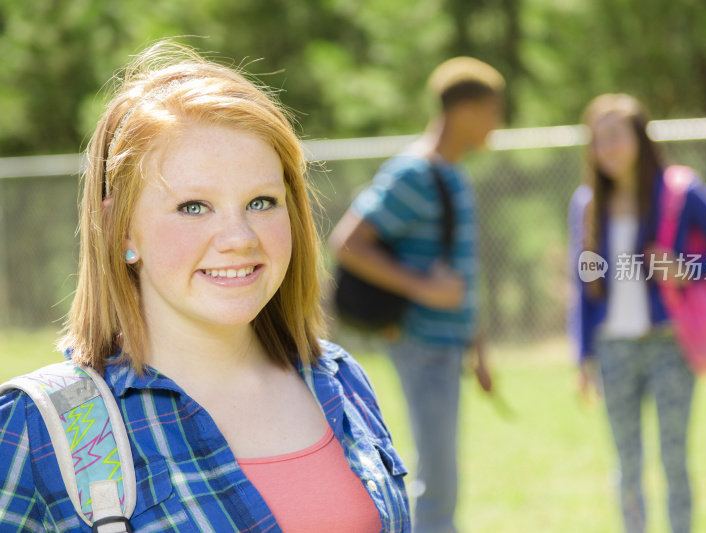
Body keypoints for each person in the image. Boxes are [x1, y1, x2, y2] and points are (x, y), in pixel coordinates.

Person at [0, 41, 409, 532]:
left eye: (261, 202)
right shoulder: (43, 428)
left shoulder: (339, 380)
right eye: (194, 206)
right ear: (122, 230)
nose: (239, 238)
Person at [328, 57, 502, 533]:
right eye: (493, 109)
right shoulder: (414, 173)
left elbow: (463, 272)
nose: (498, 122)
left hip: (448, 346)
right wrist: (422, 287)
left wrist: (479, 348)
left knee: (443, 475)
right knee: (437, 478)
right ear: (464, 110)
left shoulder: (455, 174)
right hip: (421, 344)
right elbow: (347, 242)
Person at [567, 93, 706, 533]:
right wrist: (583, 356)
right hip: (613, 349)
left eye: (615, 135)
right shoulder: (586, 203)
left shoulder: (680, 192)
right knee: (626, 465)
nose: (606, 147)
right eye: (597, 139)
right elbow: (582, 285)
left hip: (671, 346)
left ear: (639, 137)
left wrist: (687, 270)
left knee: (674, 461)